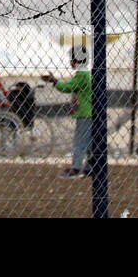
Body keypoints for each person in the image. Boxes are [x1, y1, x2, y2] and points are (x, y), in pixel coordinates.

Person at [42, 45, 92, 178]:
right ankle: (89, 167)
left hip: (84, 113)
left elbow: (67, 87)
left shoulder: (81, 74)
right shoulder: (85, 73)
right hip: (89, 113)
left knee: (79, 141)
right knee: (89, 142)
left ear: (75, 60)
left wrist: (54, 81)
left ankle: (76, 169)